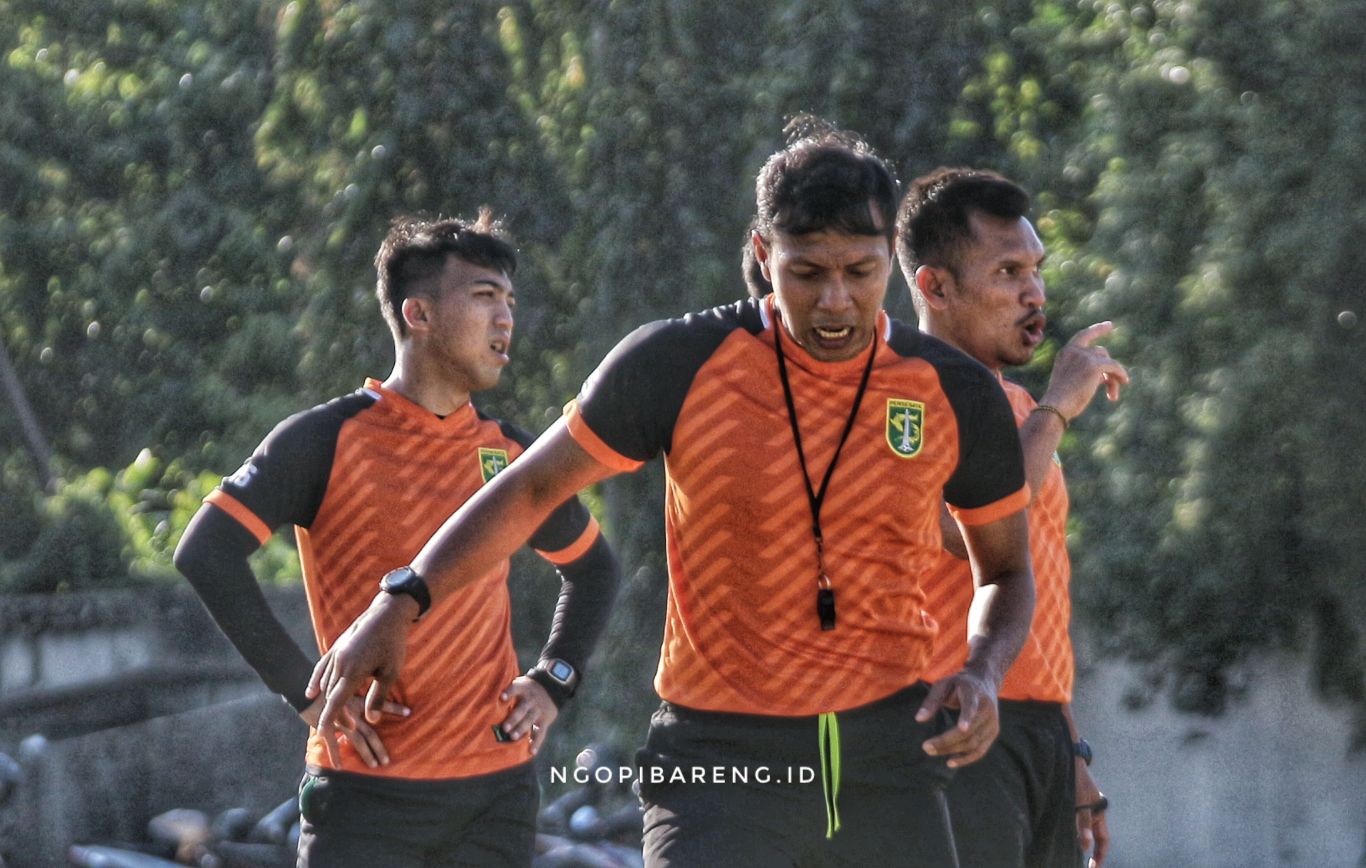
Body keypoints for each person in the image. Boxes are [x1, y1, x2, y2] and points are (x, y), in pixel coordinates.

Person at [307, 119, 1036, 867]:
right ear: (762, 254)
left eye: (861, 270)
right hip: (719, 766)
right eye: (807, 271)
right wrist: (400, 601)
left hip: (888, 763)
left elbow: (1007, 571)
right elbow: (528, 493)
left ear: (893, 260)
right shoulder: (679, 363)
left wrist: (982, 669)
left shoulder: (954, 390)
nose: (836, 301)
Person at [173, 212, 620, 867]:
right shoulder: (325, 439)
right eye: (484, 297)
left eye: (510, 302)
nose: (506, 321)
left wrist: (555, 679)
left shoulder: (513, 455)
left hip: (495, 793)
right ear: (418, 314)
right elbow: (205, 552)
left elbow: (594, 570)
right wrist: (303, 690)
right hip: (364, 794)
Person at [897, 167, 1128, 868]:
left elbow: (1041, 590)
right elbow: (951, 530)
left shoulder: (1021, 410)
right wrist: (1057, 412)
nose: (1035, 294)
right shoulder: (902, 397)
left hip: (1035, 733)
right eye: (1007, 271)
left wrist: (1071, 748)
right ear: (936, 286)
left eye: (1036, 269)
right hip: (951, 720)